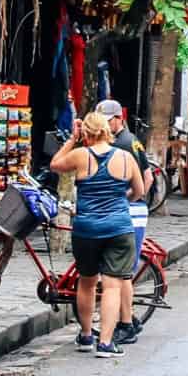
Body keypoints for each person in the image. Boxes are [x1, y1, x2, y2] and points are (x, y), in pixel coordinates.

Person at [53, 112, 148, 355]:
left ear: (85, 132)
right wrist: (120, 201)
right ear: (107, 130)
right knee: (112, 286)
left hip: (86, 229)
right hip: (118, 228)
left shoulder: (80, 155)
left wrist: (71, 140)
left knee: (86, 283)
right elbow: (138, 191)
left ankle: (86, 336)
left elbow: (55, 164)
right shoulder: (127, 158)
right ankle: (105, 342)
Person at [98, 99, 147, 344]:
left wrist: (125, 199)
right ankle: (128, 318)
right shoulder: (124, 141)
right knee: (120, 272)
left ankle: (126, 323)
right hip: (124, 209)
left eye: (108, 121)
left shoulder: (125, 143)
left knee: (122, 273)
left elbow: (144, 180)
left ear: (118, 118)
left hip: (130, 210)